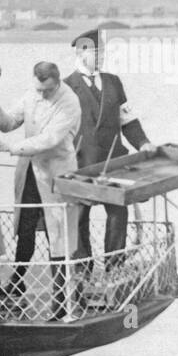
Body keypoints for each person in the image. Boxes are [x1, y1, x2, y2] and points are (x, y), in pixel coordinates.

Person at [0, 61, 82, 319]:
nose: (42, 95)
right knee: (25, 229)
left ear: (57, 82)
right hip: (29, 171)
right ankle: (16, 285)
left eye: (47, 90)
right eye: (39, 89)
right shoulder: (32, 93)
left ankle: (61, 301)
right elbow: (8, 122)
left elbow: (49, 140)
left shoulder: (69, 101)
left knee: (58, 239)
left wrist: (5, 147)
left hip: (56, 175)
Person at [64, 29, 156, 268]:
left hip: (114, 162)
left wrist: (143, 142)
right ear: (82, 53)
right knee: (80, 217)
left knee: (118, 212)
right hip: (81, 164)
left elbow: (128, 120)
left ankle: (114, 266)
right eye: (98, 52)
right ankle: (82, 270)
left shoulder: (114, 82)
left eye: (103, 51)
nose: (103, 56)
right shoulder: (65, 87)